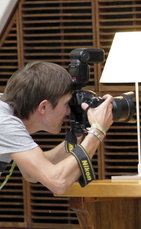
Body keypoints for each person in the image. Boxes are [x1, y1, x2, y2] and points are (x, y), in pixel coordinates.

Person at [0, 61, 113, 195]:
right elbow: (58, 183)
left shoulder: (7, 112)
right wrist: (97, 132)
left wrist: (77, 138)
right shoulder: (5, 123)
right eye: (66, 104)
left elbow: (31, 174)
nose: (67, 112)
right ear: (43, 107)